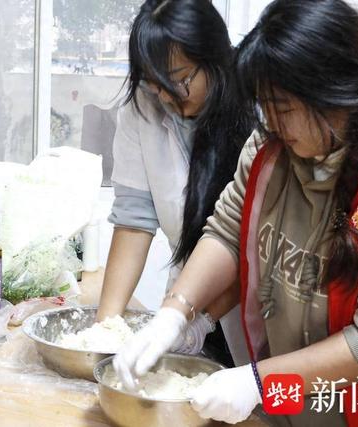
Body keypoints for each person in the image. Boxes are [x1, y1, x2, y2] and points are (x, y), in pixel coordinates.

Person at [114, 0, 358, 425]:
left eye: (283, 109)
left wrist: (259, 383)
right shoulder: (273, 143)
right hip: (286, 406)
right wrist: (176, 312)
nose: (271, 124)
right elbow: (228, 230)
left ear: (335, 97)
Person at [96, 0, 253, 366]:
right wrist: (104, 330)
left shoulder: (257, 106)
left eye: (179, 80)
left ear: (214, 58)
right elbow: (134, 221)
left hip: (252, 308)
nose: (165, 96)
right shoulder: (144, 106)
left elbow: (251, 247)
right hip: (186, 301)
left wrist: (200, 320)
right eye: (155, 85)